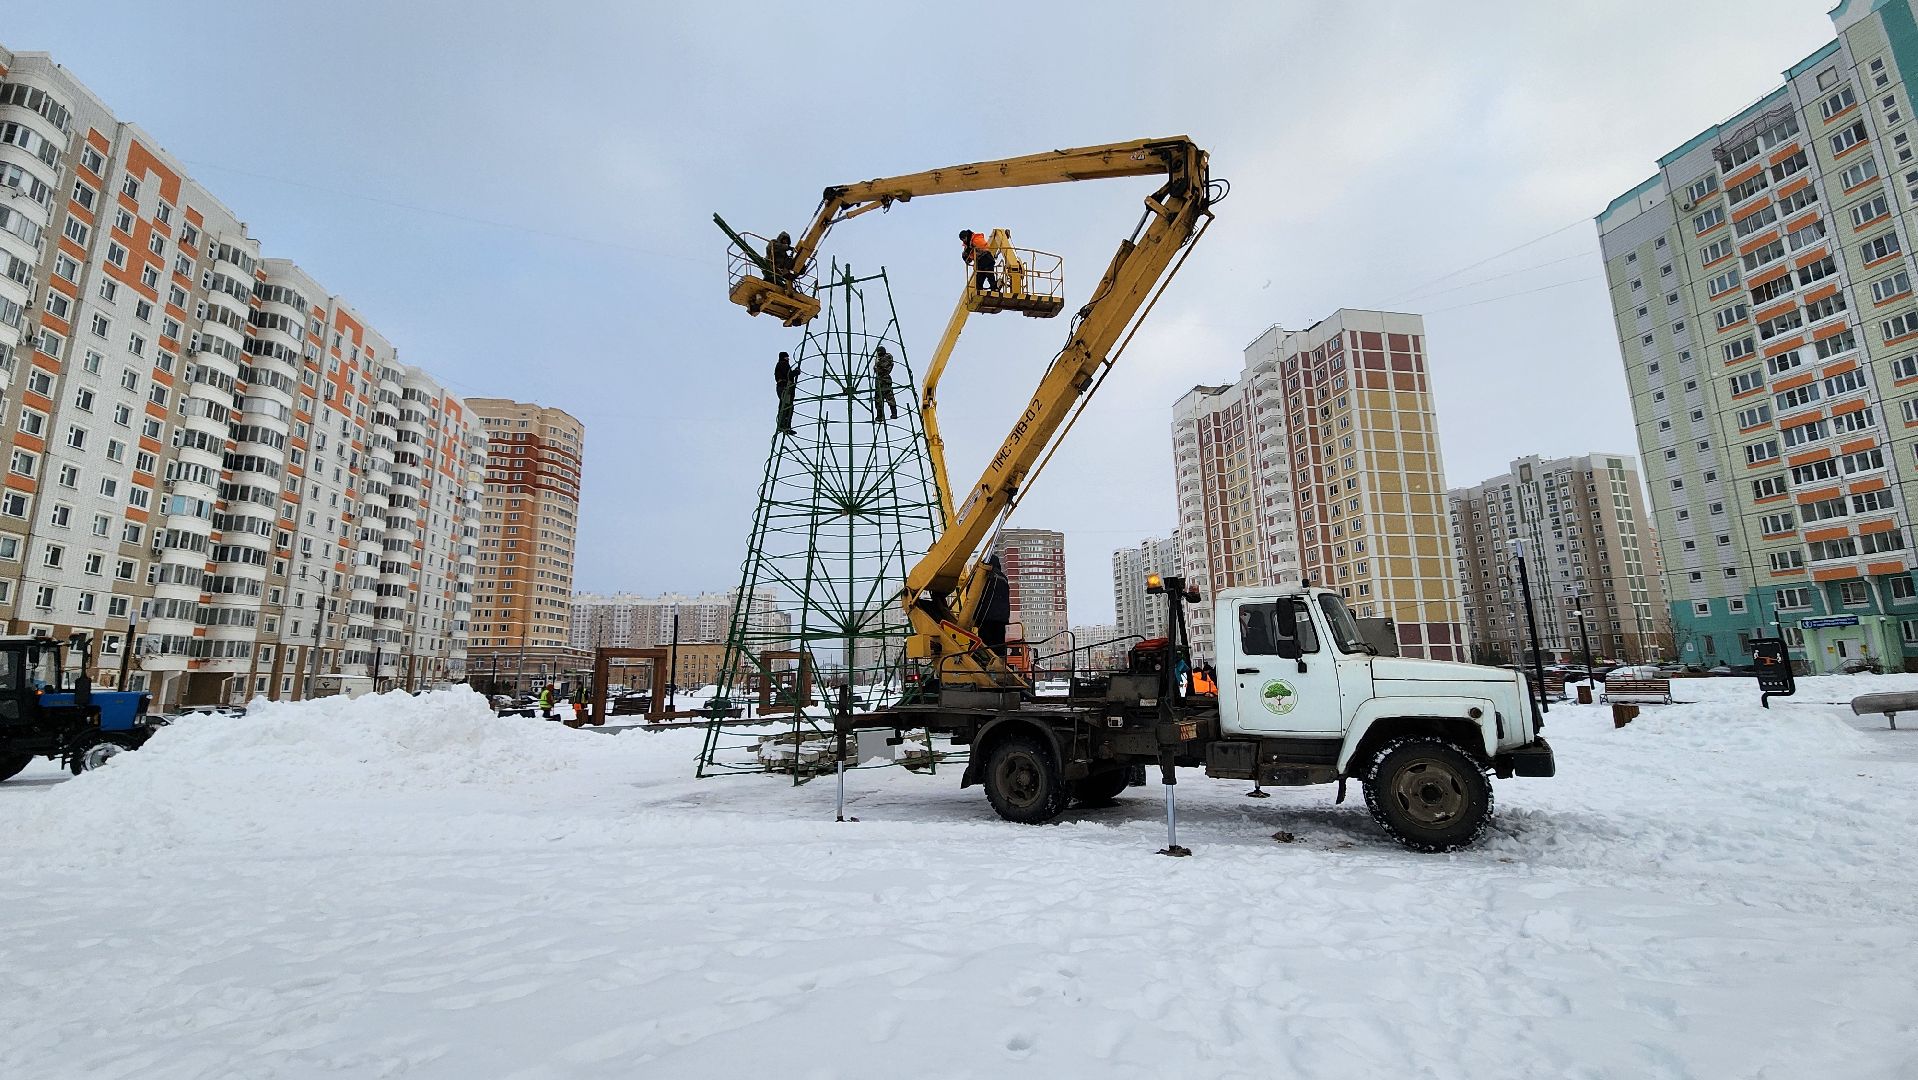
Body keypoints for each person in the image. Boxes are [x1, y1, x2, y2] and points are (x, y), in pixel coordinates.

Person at [977, 553, 1012, 659]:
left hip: (986, 618)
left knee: (986, 646)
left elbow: (973, 593)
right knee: (999, 646)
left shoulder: (984, 575)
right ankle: (1000, 667)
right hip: (1002, 619)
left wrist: (975, 616)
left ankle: (987, 665)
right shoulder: (1003, 578)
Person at [775, 351, 801, 435]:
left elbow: (787, 374)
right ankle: (784, 426)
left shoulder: (781, 364)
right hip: (784, 388)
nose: (788, 358)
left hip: (783, 388)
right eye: (786, 357)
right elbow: (788, 375)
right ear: (783, 357)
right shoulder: (783, 364)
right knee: (787, 406)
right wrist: (796, 372)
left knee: (786, 406)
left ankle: (784, 425)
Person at [872, 345, 898, 421]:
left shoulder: (887, 357)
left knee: (889, 397)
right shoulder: (881, 358)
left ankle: (893, 413)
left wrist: (877, 366)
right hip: (880, 380)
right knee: (878, 399)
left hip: (884, 379)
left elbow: (883, 367)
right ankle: (880, 416)